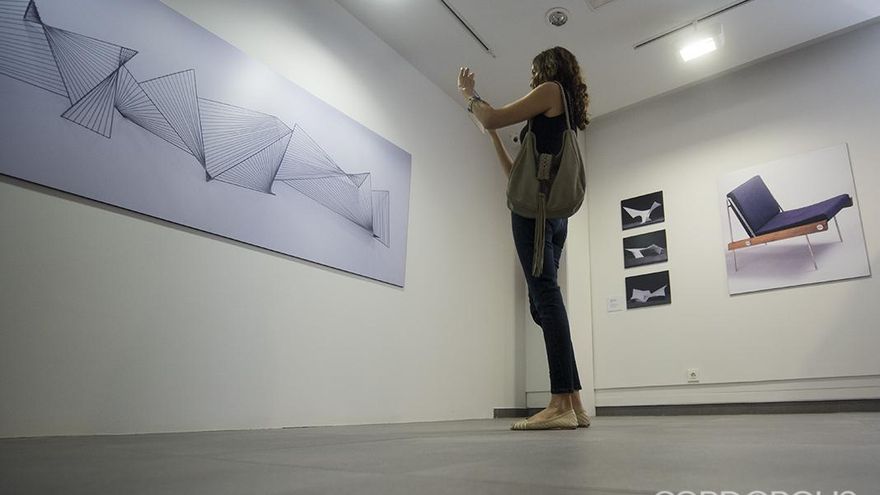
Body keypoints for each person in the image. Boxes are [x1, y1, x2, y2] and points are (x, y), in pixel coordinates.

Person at [457, 46, 590, 431]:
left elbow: (492, 114)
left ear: (547, 68)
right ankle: (574, 403)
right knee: (542, 304)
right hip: (550, 215)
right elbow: (514, 175)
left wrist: (469, 95)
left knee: (545, 300)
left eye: (534, 69)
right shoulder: (558, 114)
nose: (532, 77)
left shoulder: (550, 91)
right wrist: (492, 136)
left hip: (536, 216)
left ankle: (559, 403)